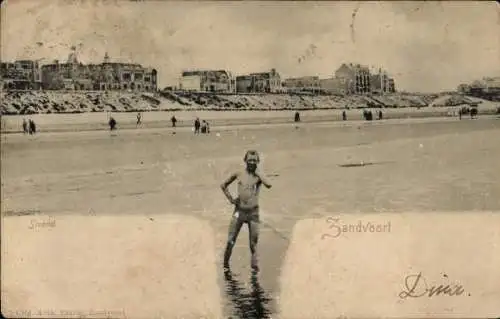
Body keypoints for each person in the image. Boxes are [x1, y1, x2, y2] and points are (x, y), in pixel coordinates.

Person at [220, 150, 272, 272]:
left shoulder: (258, 176)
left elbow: (269, 184)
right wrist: (231, 200)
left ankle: (254, 274)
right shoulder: (239, 173)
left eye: (254, 160)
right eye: (250, 160)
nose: (252, 162)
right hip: (239, 212)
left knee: (253, 245)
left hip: (253, 213)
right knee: (230, 240)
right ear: (245, 160)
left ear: (258, 161)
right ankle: (225, 267)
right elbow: (223, 185)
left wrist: (259, 173)